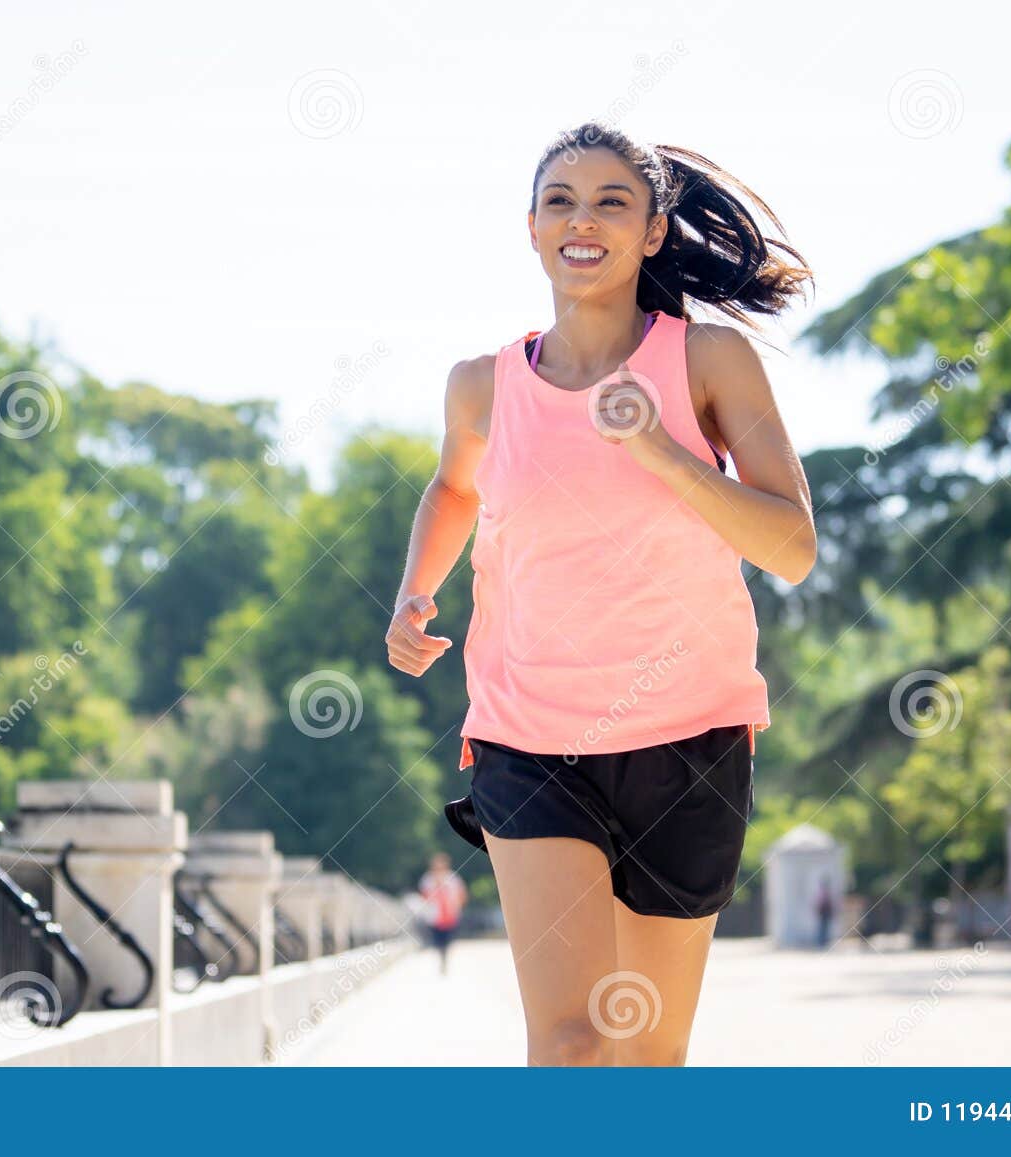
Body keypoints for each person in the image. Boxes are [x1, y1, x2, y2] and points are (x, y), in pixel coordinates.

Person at [385, 121, 816, 1066]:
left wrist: (663, 451)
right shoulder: (481, 387)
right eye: (560, 202)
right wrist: (416, 590)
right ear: (532, 229)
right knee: (574, 1040)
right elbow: (456, 486)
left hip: (687, 739)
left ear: (654, 232)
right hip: (529, 738)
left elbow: (791, 547)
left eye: (612, 202)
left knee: (647, 1052)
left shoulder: (707, 363)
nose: (583, 221)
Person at [417, 852, 467, 975]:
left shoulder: (453, 878)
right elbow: (423, 895)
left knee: (448, 940)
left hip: (450, 915)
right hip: (434, 916)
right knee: (438, 940)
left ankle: (444, 957)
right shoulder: (427, 879)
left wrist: (458, 906)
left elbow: (461, 894)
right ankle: (441, 956)